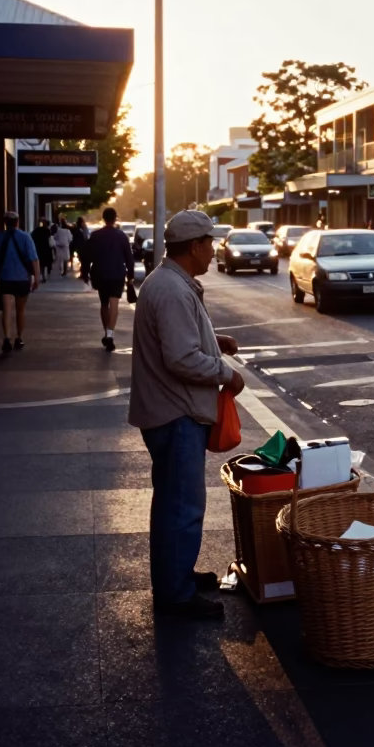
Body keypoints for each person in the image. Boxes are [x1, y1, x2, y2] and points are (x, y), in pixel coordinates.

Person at [128, 209, 245, 621]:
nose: (214, 250)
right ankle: (176, 594)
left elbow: (181, 336)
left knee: (172, 504)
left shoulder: (167, 282)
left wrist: (216, 340)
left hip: (166, 410)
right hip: (175, 413)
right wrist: (226, 376)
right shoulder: (173, 290)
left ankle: (176, 575)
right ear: (194, 246)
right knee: (182, 506)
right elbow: (181, 357)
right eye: (210, 243)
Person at [81, 206, 135, 351]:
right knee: (114, 304)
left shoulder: (95, 235)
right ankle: (110, 334)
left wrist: (85, 273)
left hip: (100, 273)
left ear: (103, 218)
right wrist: (130, 277)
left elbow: (87, 256)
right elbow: (129, 259)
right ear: (115, 218)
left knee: (104, 303)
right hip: (117, 274)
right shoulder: (122, 236)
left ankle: (107, 332)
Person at [0, 210, 40, 354]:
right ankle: (19, 337)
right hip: (22, 278)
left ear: (5, 223)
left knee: (6, 309)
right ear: (17, 222)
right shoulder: (26, 237)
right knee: (20, 309)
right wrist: (37, 278)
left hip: (5, 277)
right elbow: (33, 259)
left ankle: (7, 337)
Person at [31, 217, 54, 283]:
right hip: (46, 249)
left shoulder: (37, 230)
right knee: (44, 264)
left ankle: (40, 276)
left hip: (39, 248)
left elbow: (33, 236)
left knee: (40, 263)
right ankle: (43, 276)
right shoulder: (47, 230)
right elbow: (50, 239)